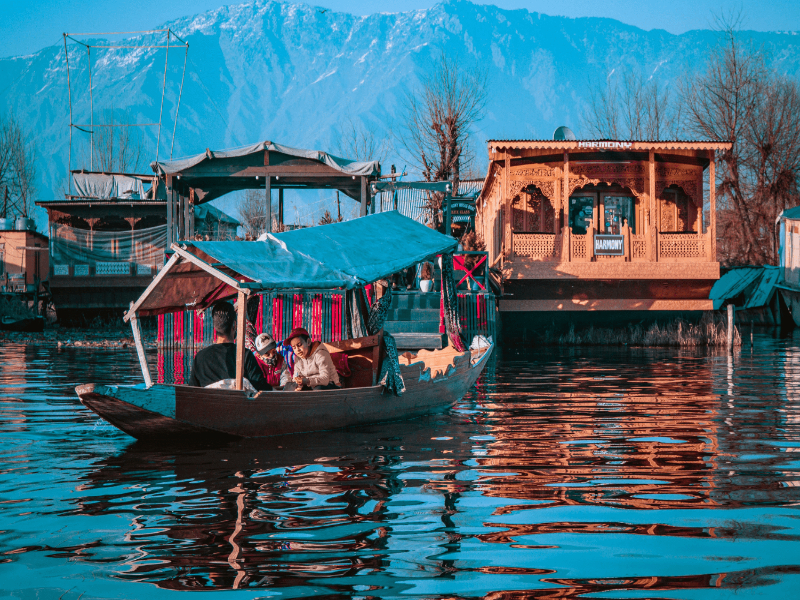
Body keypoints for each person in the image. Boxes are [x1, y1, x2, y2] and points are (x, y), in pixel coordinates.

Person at [187, 301, 271, 390]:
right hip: (238, 403)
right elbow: (263, 390)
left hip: (209, 403)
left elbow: (192, 392)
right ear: (234, 325)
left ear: (215, 327)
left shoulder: (200, 357)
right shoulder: (245, 356)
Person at [284, 327, 340, 391]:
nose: (297, 350)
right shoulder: (298, 359)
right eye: (294, 348)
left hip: (330, 384)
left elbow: (325, 379)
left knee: (317, 390)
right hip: (310, 385)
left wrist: (307, 381)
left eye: (299, 345)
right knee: (288, 386)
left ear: (308, 342)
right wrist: (298, 384)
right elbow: (296, 377)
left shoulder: (320, 353)